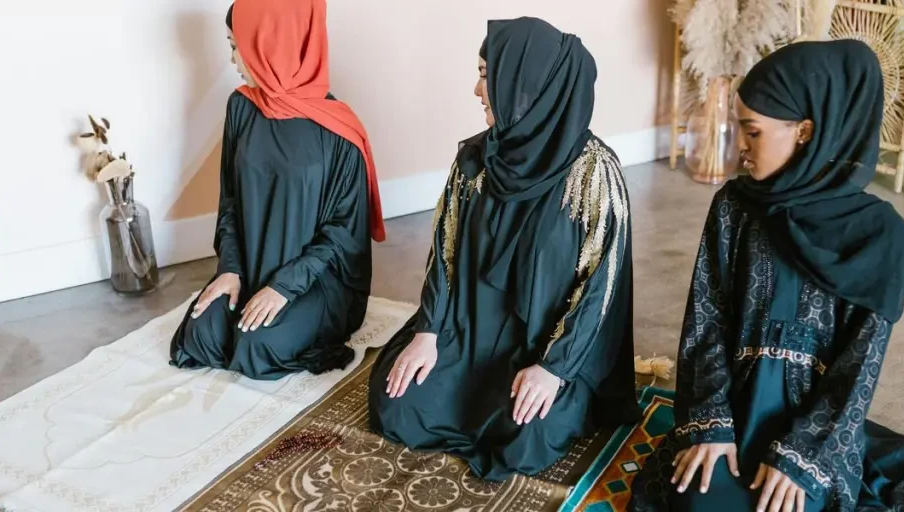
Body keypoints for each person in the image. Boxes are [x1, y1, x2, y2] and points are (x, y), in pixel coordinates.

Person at [628, 40, 904, 511]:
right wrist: (712, 423)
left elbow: (857, 369)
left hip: (817, 426)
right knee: (698, 497)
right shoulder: (734, 208)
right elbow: (706, 320)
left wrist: (799, 456)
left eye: (753, 133)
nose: (741, 148)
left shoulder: (878, 239)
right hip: (734, 404)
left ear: (805, 131)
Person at [367, 17, 640, 481]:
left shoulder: (594, 173)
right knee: (397, 405)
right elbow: (445, 250)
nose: (477, 90)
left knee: (525, 439)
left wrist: (554, 368)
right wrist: (428, 332)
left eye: (486, 75)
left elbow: (603, 288)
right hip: (467, 332)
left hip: (543, 350)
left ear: (526, 83)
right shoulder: (475, 159)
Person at [169, 0, 385, 381]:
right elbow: (230, 203)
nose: (234, 60)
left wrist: (283, 288)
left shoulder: (338, 128)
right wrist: (231, 269)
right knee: (200, 336)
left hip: (316, 279)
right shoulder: (241, 107)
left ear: (271, 44)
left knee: (257, 345)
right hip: (251, 267)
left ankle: (300, 315)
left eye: (238, 47)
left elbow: (342, 234)